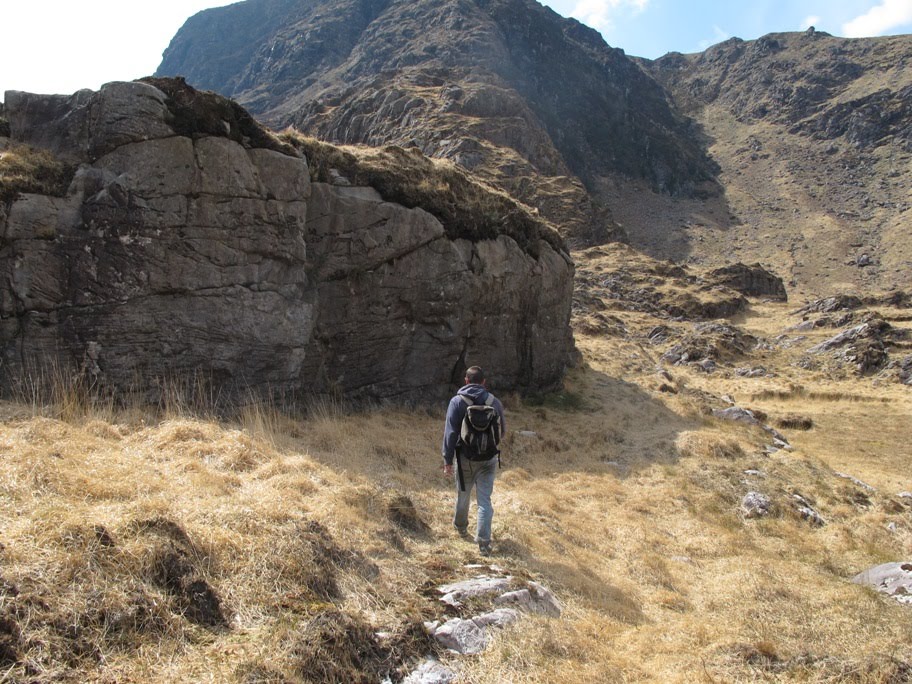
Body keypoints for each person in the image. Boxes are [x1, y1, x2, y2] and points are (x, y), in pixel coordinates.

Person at [441, 366, 506, 556]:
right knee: (484, 500)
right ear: (484, 382)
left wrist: (447, 459)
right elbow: (502, 432)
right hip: (489, 459)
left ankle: (461, 527)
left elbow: (450, 433)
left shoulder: (457, 402)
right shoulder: (494, 402)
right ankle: (484, 541)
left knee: (463, 494)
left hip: (464, 458)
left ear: (466, 381)